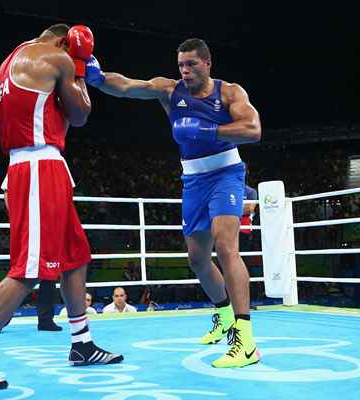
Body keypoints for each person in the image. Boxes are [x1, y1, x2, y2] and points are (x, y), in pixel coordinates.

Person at [0, 23, 122, 391]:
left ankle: (82, 343)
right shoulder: (57, 57)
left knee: (75, 256)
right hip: (39, 167)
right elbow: (80, 114)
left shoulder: (13, 58)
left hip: (31, 165)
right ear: (64, 41)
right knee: (27, 270)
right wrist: (79, 66)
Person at [86, 38, 261, 368]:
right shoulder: (170, 90)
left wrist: (207, 130)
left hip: (226, 172)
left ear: (207, 63)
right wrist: (95, 75)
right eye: (181, 64)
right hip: (193, 180)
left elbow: (253, 129)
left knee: (226, 248)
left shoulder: (229, 92)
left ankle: (246, 340)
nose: (185, 70)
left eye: (192, 64)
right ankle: (224, 317)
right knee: (197, 259)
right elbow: (126, 86)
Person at [1, 175, 62, 331]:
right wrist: (17, 218)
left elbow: (63, 195)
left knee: (50, 272)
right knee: (23, 273)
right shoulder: (20, 162)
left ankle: (46, 320)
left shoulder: (55, 164)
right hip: (29, 227)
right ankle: (2, 316)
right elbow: (7, 192)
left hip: (49, 226)